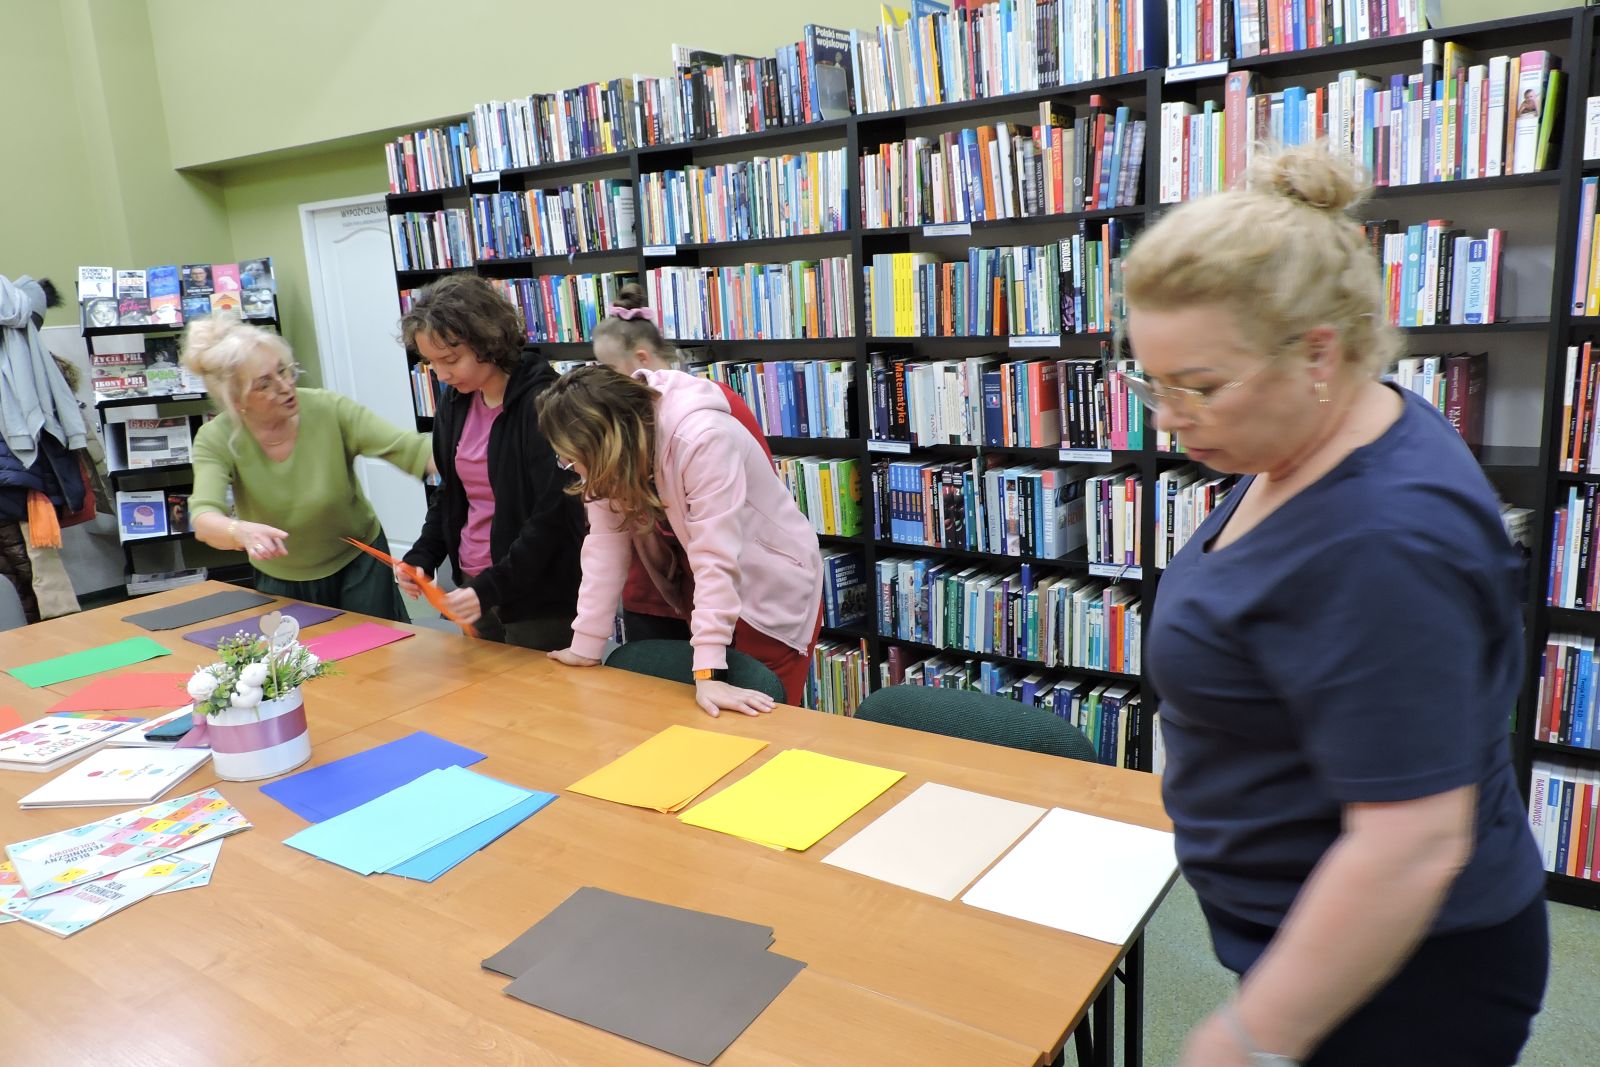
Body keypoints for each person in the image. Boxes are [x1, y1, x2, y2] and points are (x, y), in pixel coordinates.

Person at [1120, 142, 1547, 1067]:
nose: (1167, 416)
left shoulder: (1382, 538)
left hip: (1405, 978)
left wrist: (1248, 1038)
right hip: (1321, 931)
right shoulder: (1330, 428)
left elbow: (1409, 843)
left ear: (1318, 350)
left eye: (1199, 386)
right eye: (1152, 381)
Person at [537, 365, 822, 715]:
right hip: (712, 591)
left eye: (572, 459)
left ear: (604, 443)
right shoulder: (614, 455)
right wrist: (586, 645)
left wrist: (709, 672)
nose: (570, 466)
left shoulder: (703, 437)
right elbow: (604, 546)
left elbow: (715, 556)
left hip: (770, 586)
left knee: (762, 721)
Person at [183, 314, 433, 621]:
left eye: (284, 371)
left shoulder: (329, 410)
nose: (286, 386)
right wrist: (240, 532)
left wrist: (475, 460)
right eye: (265, 384)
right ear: (237, 400)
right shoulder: (216, 437)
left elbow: (411, 450)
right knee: (302, 652)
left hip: (358, 563)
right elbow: (204, 518)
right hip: (281, 576)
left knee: (379, 646)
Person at [397, 274, 585, 649]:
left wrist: (492, 586)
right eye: (431, 363)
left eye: (451, 360)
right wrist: (424, 553)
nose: (442, 375)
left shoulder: (543, 403)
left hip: (536, 596)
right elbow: (452, 491)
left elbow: (554, 514)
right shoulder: (456, 401)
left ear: (488, 341)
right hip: (474, 584)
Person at [590, 283, 775, 644]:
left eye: (608, 370)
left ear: (641, 359)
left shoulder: (709, 413)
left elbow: (753, 500)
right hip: (649, 590)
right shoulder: (618, 418)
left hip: (717, 590)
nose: (603, 382)